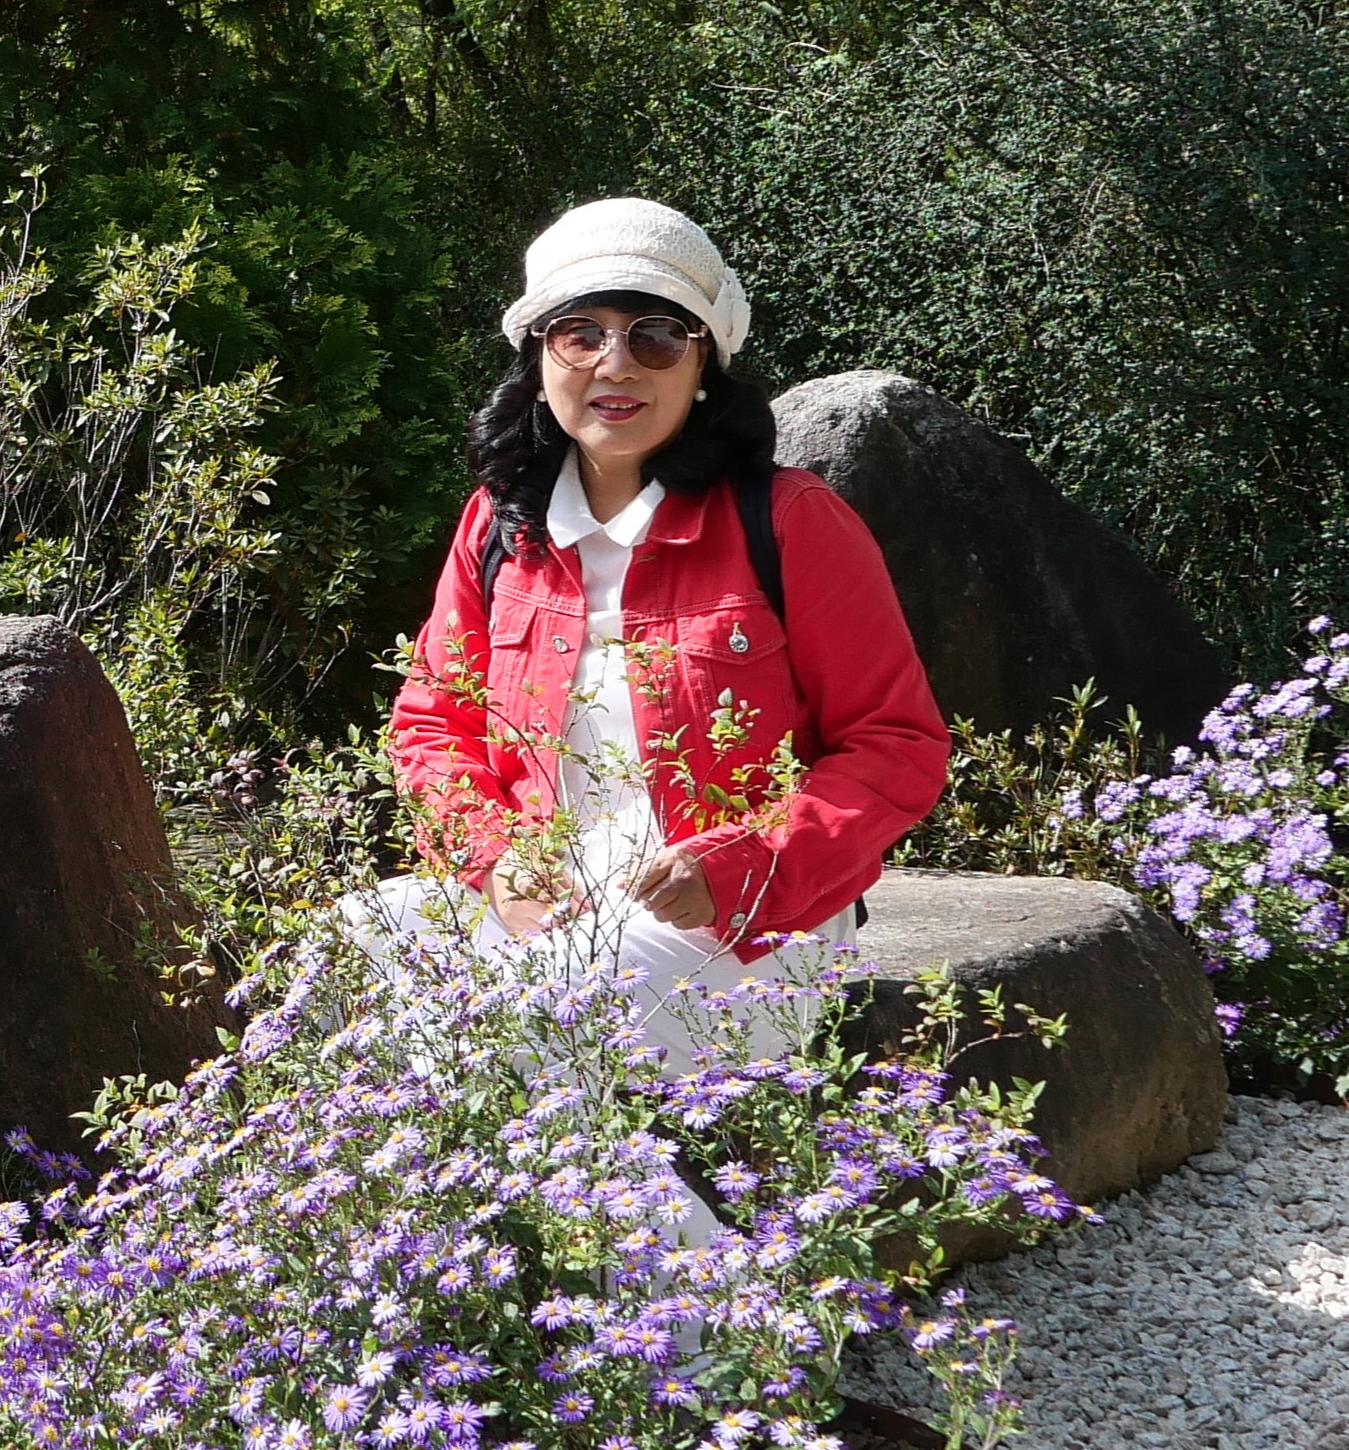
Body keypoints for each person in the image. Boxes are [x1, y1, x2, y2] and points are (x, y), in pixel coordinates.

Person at [370, 197, 949, 1066]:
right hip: (547, 906)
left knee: (523, 1028)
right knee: (343, 951)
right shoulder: (500, 525)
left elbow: (896, 745)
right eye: (579, 334)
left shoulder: (791, 521)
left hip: (747, 924)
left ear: (702, 360)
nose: (616, 364)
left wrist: (738, 863)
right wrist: (495, 859)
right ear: (537, 355)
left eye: (655, 337)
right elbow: (431, 723)